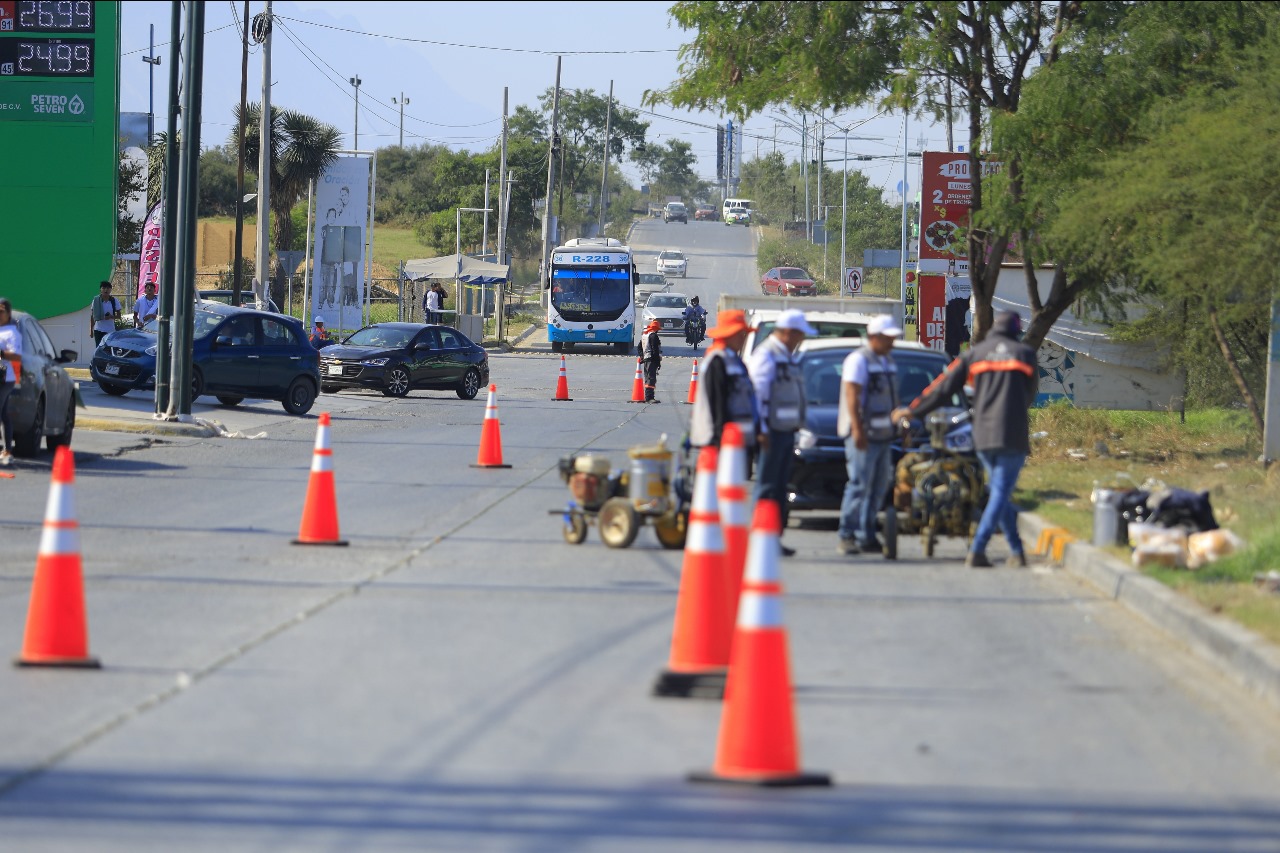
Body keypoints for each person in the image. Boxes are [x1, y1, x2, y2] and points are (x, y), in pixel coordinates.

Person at [892, 310, 1038, 568]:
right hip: (1012, 434)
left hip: (982, 435)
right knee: (1001, 492)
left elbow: (943, 387)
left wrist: (914, 410)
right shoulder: (1025, 355)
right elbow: (1029, 396)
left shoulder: (975, 354)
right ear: (1017, 329)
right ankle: (978, 549)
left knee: (997, 492)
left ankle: (1016, 552)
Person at [746, 308, 814, 556]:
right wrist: (761, 429)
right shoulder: (767, 355)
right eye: (799, 334)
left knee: (779, 487)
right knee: (766, 486)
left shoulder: (787, 355)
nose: (801, 339)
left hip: (786, 432)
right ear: (787, 332)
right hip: (771, 432)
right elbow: (758, 395)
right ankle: (759, 540)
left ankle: (772, 539)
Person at [836, 315, 903, 555]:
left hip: (883, 434)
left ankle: (866, 535)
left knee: (879, 485)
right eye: (888, 338)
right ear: (874, 338)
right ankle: (847, 534)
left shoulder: (887, 361)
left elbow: (891, 398)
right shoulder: (858, 360)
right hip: (863, 434)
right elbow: (852, 396)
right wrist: (857, 429)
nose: (892, 343)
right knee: (859, 484)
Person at [688, 309, 759, 452]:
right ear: (730, 334)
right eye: (741, 334)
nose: (744, 338)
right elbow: (717, 404)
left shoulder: (735, 360)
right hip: (722, 442)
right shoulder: (717, 361)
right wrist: (722, 442)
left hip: (738, 440)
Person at [0, 298, 22, 466]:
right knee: (4, 415)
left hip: (5, 379)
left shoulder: (12, 333)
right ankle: (7, 450)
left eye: (1, 312)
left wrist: (1, 353)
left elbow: (16, 356)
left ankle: (7, 450)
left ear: (7, 313)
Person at [90, 280, 120, 346]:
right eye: (103, 288)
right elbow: (92, 316)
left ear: (110, 290)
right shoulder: (96, 300)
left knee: (109, 349)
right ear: (100, 289)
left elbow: (119, 316)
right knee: (99, 348)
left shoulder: (114, 300)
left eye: (108, 288)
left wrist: (111, 317)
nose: (106, 290)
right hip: (98, 330)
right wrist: (91, 330)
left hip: (110, 330)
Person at [640, 318, 663, 402]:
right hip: (651, 360)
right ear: (656, 329)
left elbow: (640, 347)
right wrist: (658, 362)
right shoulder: (653, 336)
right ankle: (649, 397)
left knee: (647, 378)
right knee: (651, 378)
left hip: (646, 359)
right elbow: (655, 350)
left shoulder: (645, 335)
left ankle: (648, 396)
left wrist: (642, 357)